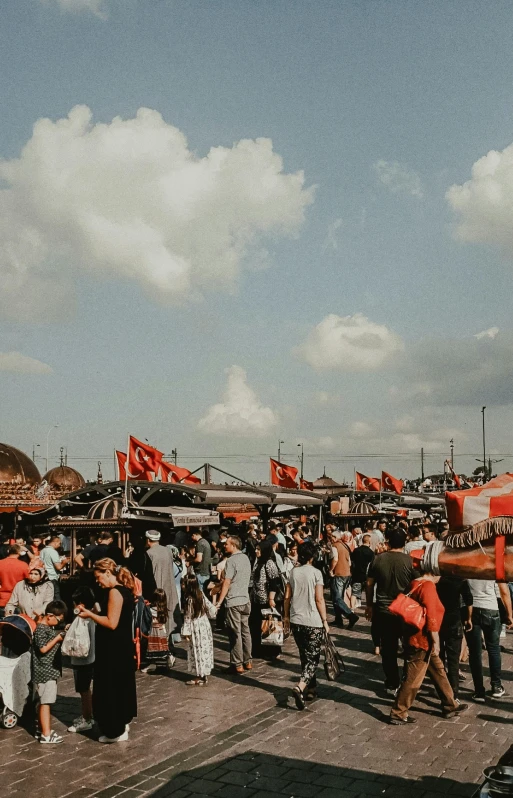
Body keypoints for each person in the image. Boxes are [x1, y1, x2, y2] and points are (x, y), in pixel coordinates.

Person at [390, 565, 469, 725]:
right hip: (423, 639)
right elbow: (432, 617)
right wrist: (436, 642)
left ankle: (450, 704)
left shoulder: (415, 582)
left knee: (438, 671)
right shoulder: (428, 586)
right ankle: (398, 712)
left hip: (415, 635)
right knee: (413, 678)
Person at [78, 558, 137, 743]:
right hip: (122, 646)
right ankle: (122, 722)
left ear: (108, 573)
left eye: (99, 577)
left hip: (113, 648)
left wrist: (90, 615)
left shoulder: (114, 592)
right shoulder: (124, 590)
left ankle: (114, 729)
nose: (98, 581)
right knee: (121, 684)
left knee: (110, 686)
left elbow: (112, 623)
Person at [366, 527, 416, 695]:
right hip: (405, 611)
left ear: (388, 541)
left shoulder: (378, 560)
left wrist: (369, 605)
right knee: (409, 648)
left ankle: (392, 683)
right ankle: (407, 681)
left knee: (389, 650)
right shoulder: (410, 561)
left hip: (384, 609)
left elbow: (369, 584)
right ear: (404, 542)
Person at [283, 541, 330, 710]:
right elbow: (319, 599)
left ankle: (311, 688)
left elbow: (287, 597)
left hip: (296, 620)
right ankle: (300, 686)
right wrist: (325, 620)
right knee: (313, 658)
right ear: (312, 556)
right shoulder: (316, 573)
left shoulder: (293, 572)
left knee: (305, 655)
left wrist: (286, 616)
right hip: (313, 621)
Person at [465, 579, 513, 701]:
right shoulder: (493, 566)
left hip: (471, 610)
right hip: (491, 609)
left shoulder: (468, 567)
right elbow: (504, 592)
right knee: (494, 649)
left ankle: (479, 691)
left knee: (475, 652)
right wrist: (509, 615)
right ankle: (496, 686)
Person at [32, 599, 68, 744]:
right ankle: (46, 735)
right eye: (58, 619)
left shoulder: (45, 628)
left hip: (47, 670)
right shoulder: (41, 629)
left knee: (43, 702)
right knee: (46, 702)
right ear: (49, 615)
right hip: (45, 671)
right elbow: (43, 649)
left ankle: (42, 729)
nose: (59, 623)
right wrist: (58, 638)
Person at [217, 535, 252, 674]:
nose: (225, 546)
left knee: (234, 633)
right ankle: (248, 661)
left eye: (227, 544)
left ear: (234, 545)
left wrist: (219, 601)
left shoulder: (231, 561)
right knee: (245, 631)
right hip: (245, 599)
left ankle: (237, 664)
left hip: (234, 600)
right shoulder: (246, 558)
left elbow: (227, 582)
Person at [145, 529, 180, 664]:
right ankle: (169, 646)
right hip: (169, 588)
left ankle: (161, 650)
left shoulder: (149, 554)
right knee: (168, 618)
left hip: (158, 591)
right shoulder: (167, 551)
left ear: (148, 540)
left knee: (158, 621)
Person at [436, 576, 473, 700]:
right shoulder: (460, 580)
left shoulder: (437, 580)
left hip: (438, 620)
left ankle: (441, 690)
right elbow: (469, 600)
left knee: (439, 659)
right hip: (454, 620)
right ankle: (454, 694)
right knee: (453, 661)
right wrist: (469, 619)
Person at [68, 586, 96, 734]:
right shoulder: (94, 617)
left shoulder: (82, 618)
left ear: (81, 605)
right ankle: (90, 715)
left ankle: (87, 718)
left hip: (82, 659)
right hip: (93, 658)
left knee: (84, 689)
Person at [249, 539, 284, 659]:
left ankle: (272, 651)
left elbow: (274, 581)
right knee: (256, 625)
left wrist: (271, 598)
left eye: (258, 549)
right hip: (256, 599)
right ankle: (257, 649)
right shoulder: (258, 562)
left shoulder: (269, 563)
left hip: (266, 600)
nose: (256, 551)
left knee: (269, 625)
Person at [181, 573, 217, 685]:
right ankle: (204, 674)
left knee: (197, 650)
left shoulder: (189, 600)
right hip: (204, 624)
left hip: (196, 627)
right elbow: (210, 608)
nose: (182, 586)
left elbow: (188, 617)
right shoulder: (201, 594)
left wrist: (186, 632)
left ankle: (199, 676)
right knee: (204, 649)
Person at [330, 531, 359, 629]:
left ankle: (350, 615)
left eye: (331, 537)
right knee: (338, 597)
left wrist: (331, 570)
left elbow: (335, 559)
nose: (330, 539)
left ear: (334, 537)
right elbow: (349, 562)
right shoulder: (345, 545)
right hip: (347, 573)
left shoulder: (335, 546)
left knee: (337, 598)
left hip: (338, 573)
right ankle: (338, 619)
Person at [141, 588, 172, 673]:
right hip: (161, 632)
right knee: (162, 648)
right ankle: (165, 662)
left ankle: (152, 664)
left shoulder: (151, 609)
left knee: (153, 648)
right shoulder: (164, 609)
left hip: (153, 632)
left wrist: (145, 606)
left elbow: (148, 617)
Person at [0, 545, 30, 615]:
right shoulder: (23, 565)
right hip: (17, 600)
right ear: (19, 552)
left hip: (2, 599)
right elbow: (29, 580)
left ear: (8, 551)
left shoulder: (0, 563)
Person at [350, 534, 375, 604]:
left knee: (354, 593)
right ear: (369, 542)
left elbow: (352, 560)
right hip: (367, 576)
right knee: (368, 593)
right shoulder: (371, 553)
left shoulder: (356, 550)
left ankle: (351, 609)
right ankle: (367, 607)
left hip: (357, 574)